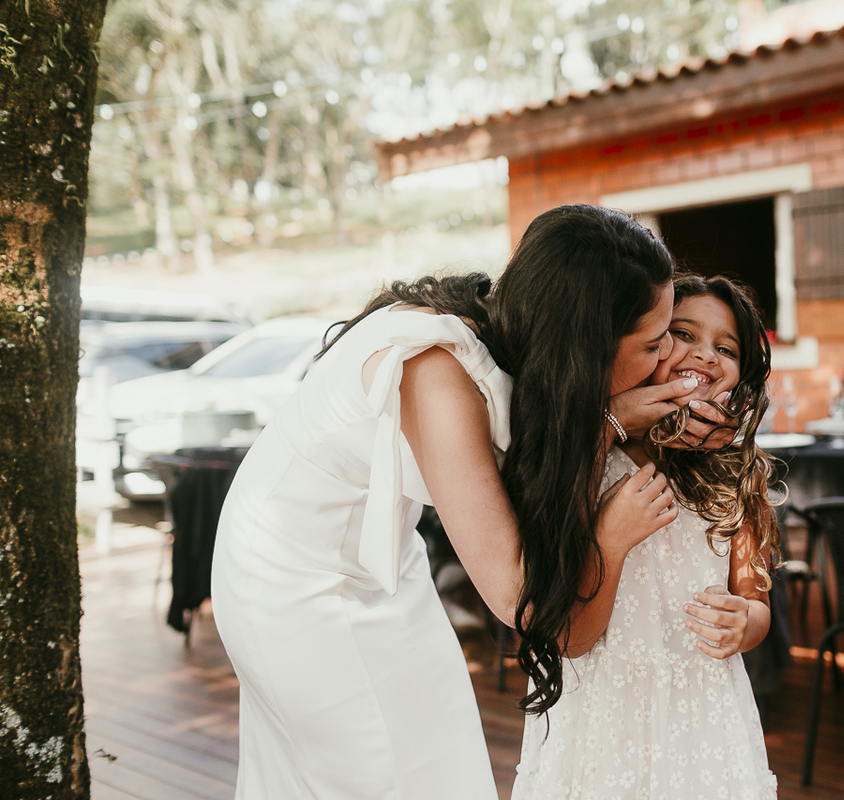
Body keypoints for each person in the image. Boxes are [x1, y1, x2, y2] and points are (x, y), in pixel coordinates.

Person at [210, 205, 735, 798]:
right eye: (654, 341)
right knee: (373, 769)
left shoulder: (516, 339)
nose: (667, 356)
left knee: (443, 753)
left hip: (381, 556)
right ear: (584, 348)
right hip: (286, 573)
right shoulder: (438, 374)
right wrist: (605, 430)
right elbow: (522, 598)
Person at [511, 274, 780, 799]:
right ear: (645, 343)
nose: (705, 355)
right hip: (599, 708)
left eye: (726, 348)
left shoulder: (735, 474)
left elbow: (756, 600)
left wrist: (745, 623)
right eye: (683, 334)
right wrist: (607, 425)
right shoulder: (586, 448)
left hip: (701, 714)